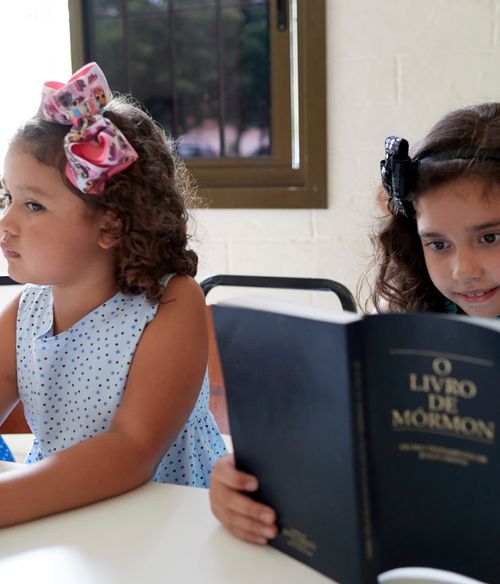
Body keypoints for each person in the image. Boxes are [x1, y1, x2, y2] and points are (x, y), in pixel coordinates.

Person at [209, 101, 500, 543]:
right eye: (438, 244)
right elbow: (346, 455)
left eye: (490, 237)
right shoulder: (409, 330)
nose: (463, 270)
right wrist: (249, 485)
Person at [0, 62, 226, 527]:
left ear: (110, 225)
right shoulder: (24, 313)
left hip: (168, 523)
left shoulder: (172, 304)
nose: (7, 222)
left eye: (33, 205)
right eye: (7, 198)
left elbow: (131, 450)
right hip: (68, 516)